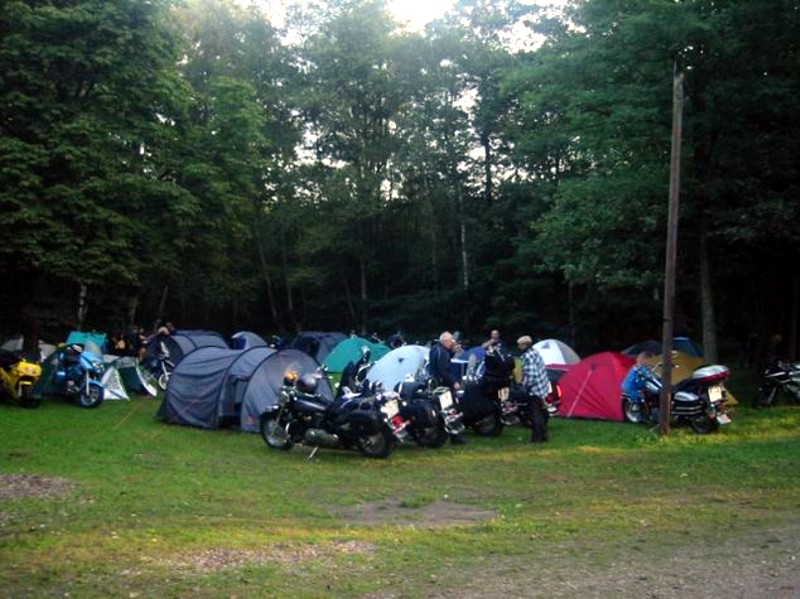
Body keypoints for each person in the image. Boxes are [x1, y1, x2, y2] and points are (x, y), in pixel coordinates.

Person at [428, 331, 467, 445]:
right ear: (445, 341)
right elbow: (443, 370)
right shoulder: (441, 352)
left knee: (449, 409)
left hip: (438, 383)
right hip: (443, 385)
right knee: (452, 409)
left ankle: (454, 435)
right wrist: (453, 382)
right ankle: (456, 437)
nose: (453, 343)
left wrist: (451, 352)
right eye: (451, 341)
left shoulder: (437, 349)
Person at [517, 335, 551, 443]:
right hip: (542, 386)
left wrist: (525, 386)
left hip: (534, 389)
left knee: (534, 414)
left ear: (525, 345)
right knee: (540, 413)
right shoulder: (535, 352)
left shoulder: (527, 357)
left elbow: (531, 374)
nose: (519, 347)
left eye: (520, 345)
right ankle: (544, 436)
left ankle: (536, 439)